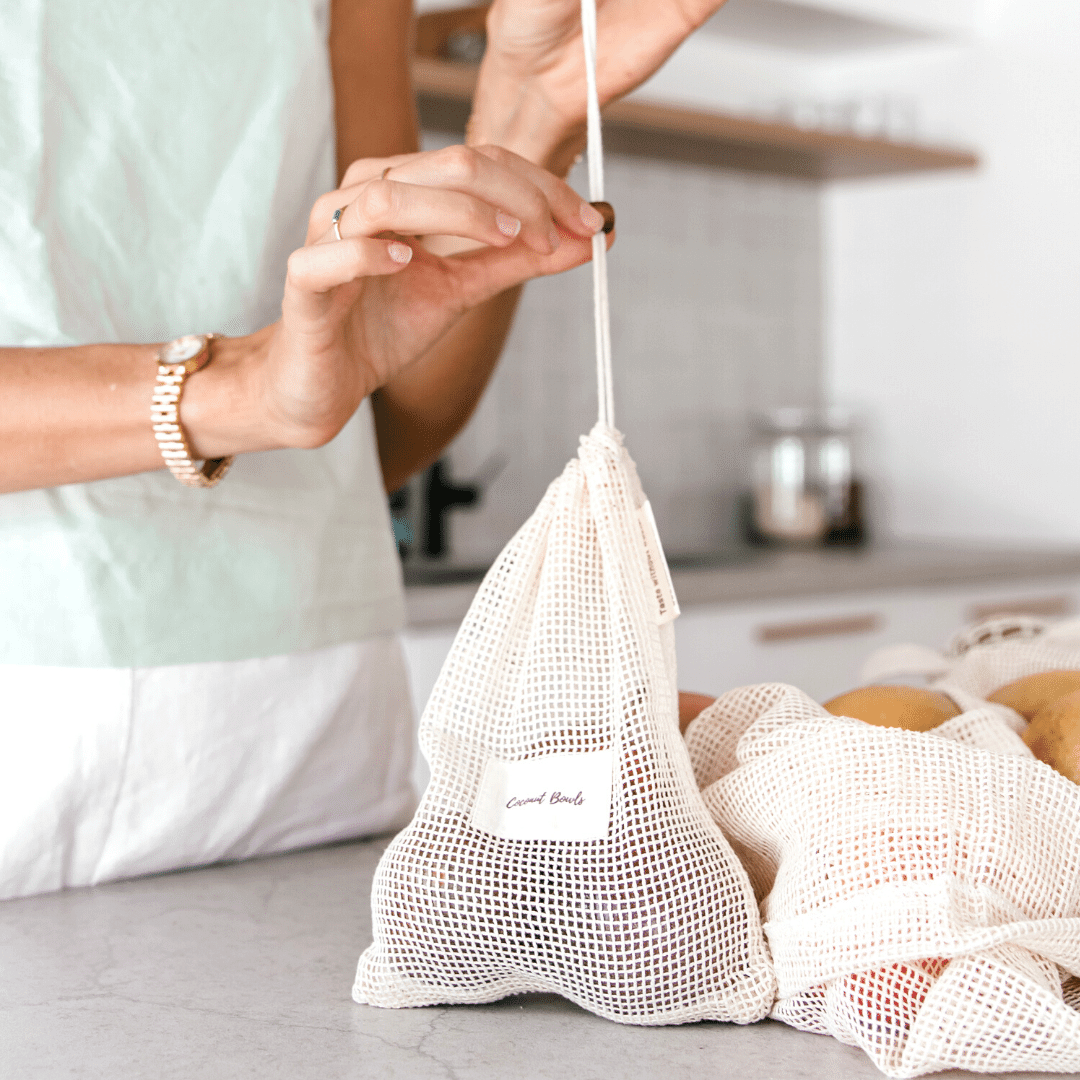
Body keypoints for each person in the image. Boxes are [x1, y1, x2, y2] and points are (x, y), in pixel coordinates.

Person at [0, 0, 726, 899]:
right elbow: (285, 400)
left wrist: (532, 113)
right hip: (27, 715)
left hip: (317, 711)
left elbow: (375, 421)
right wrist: (244, 390)